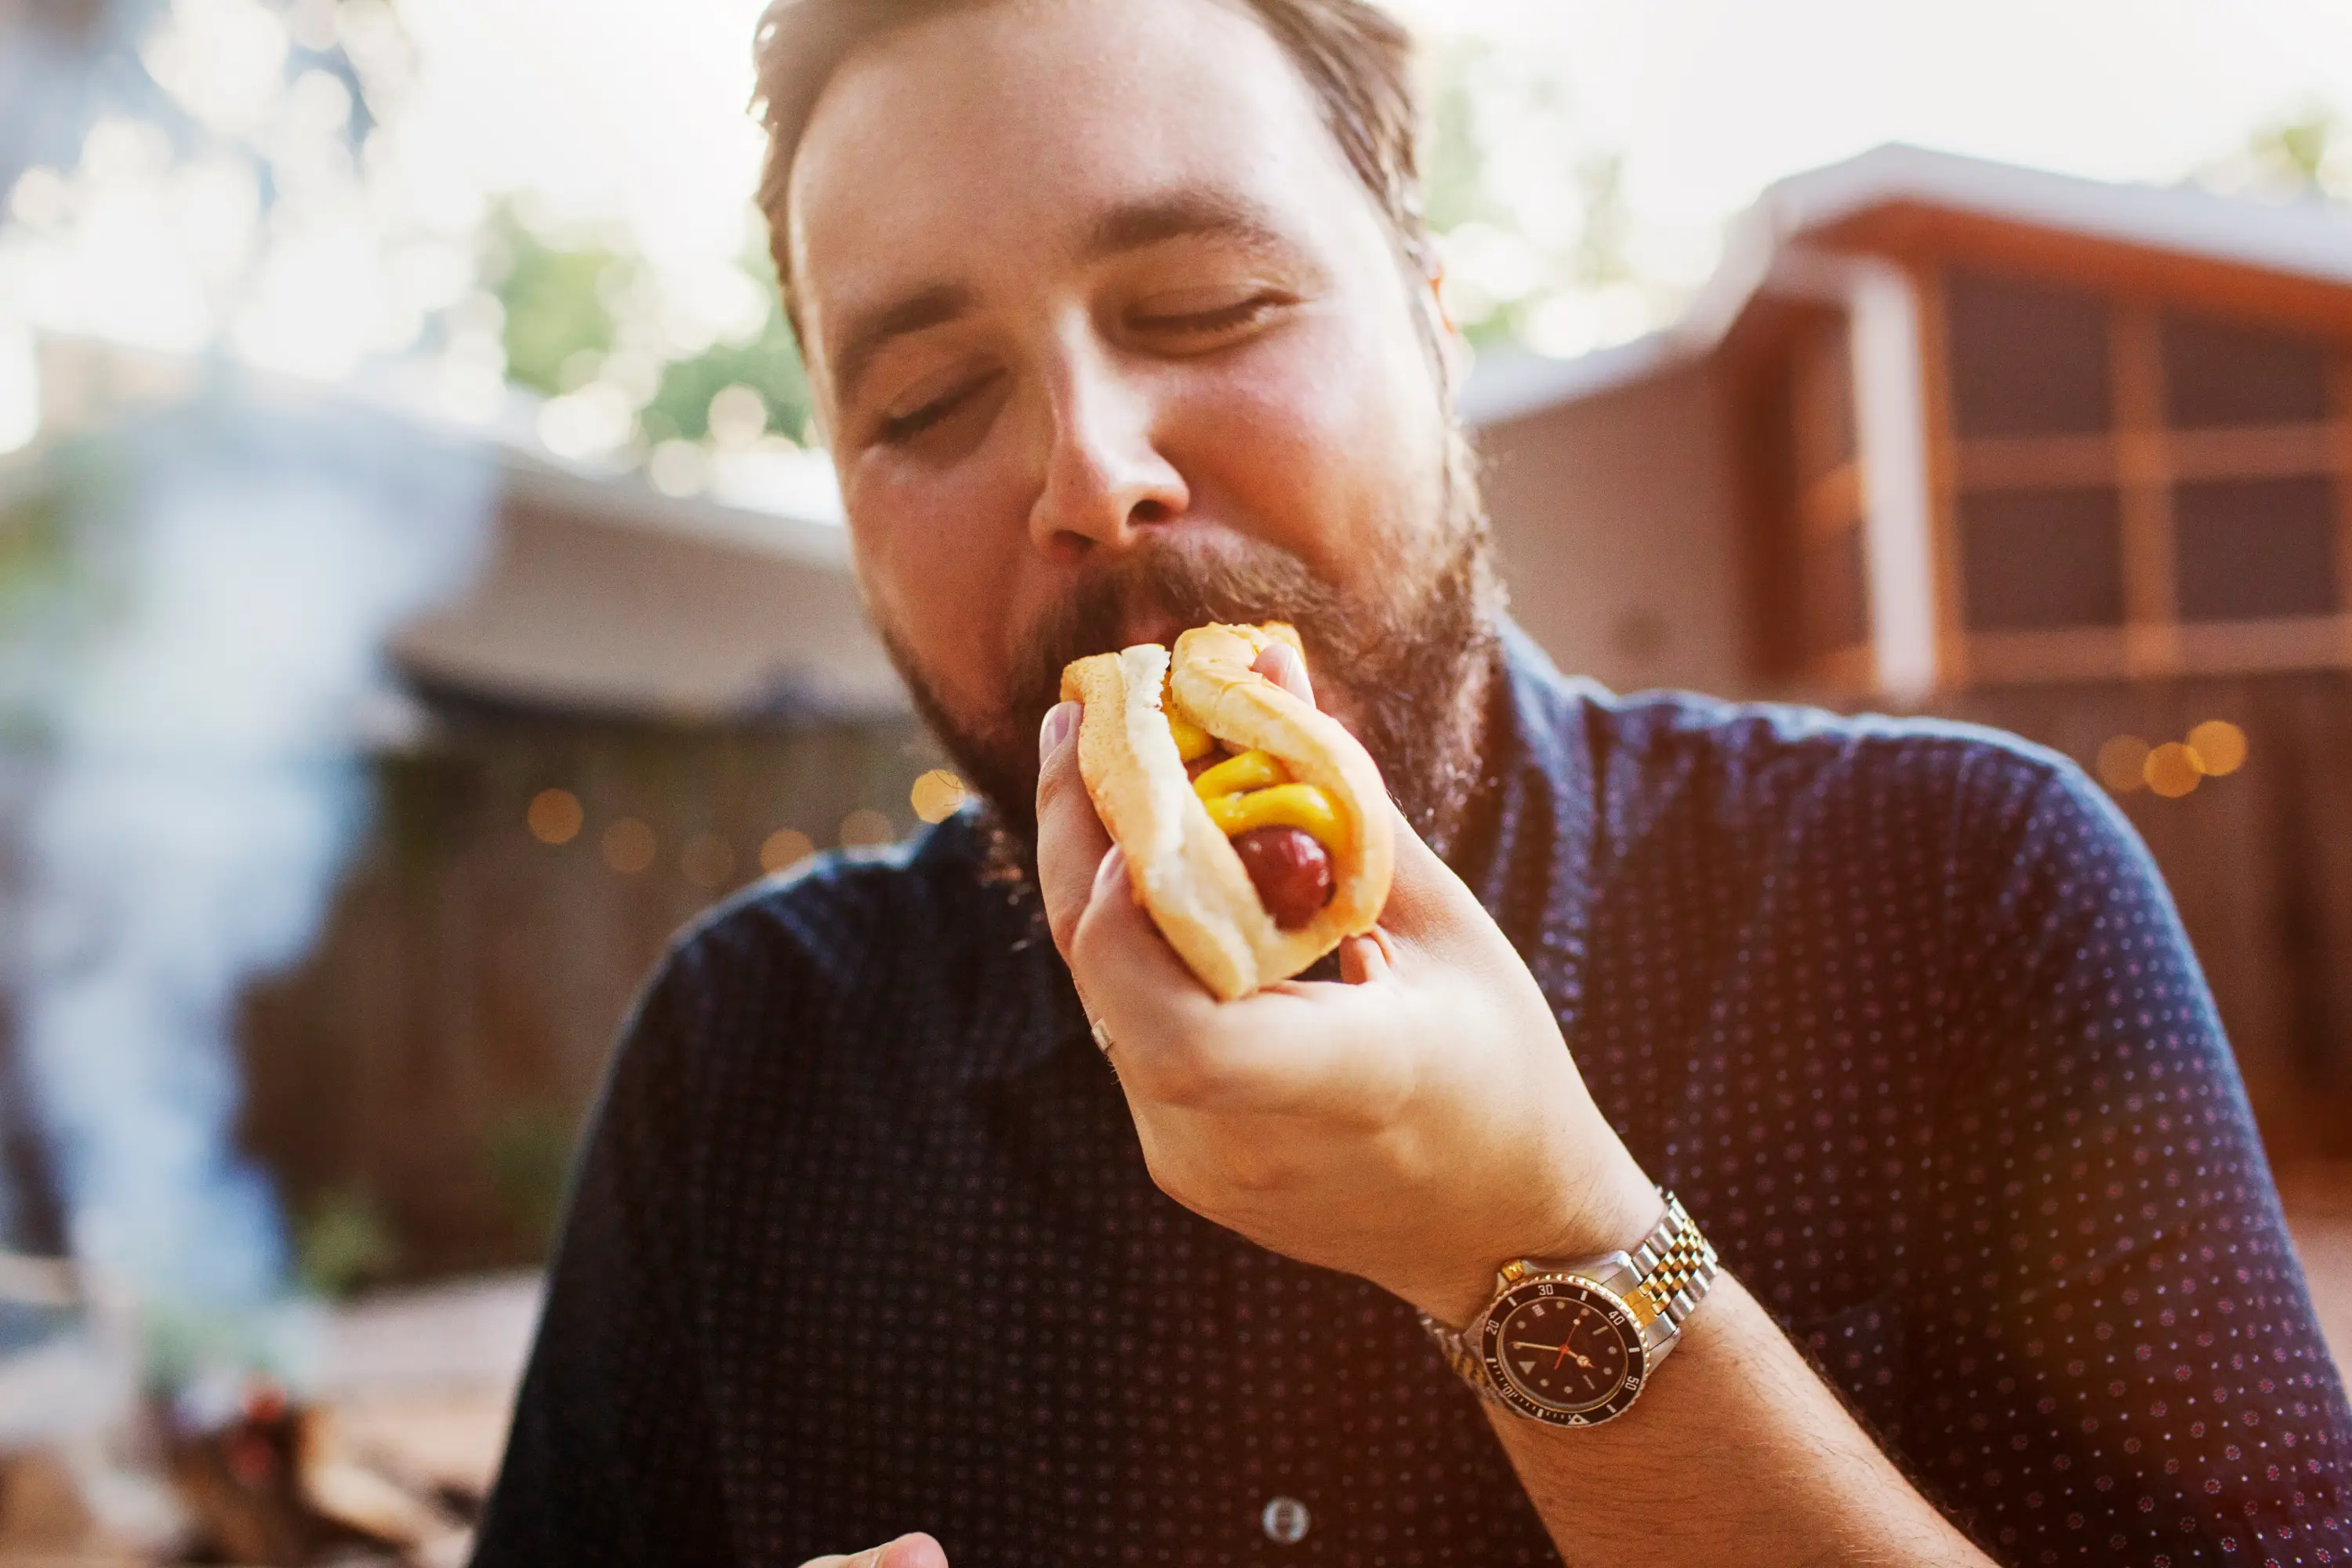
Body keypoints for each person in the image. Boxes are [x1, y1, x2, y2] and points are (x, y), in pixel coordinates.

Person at [472, 1, 2352, 1563]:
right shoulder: (740, 1062)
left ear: (1436, 322)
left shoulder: (1958, 891)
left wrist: (1544, 1240)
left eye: (1208, 304)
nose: (1094, 473)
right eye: (926, 404)